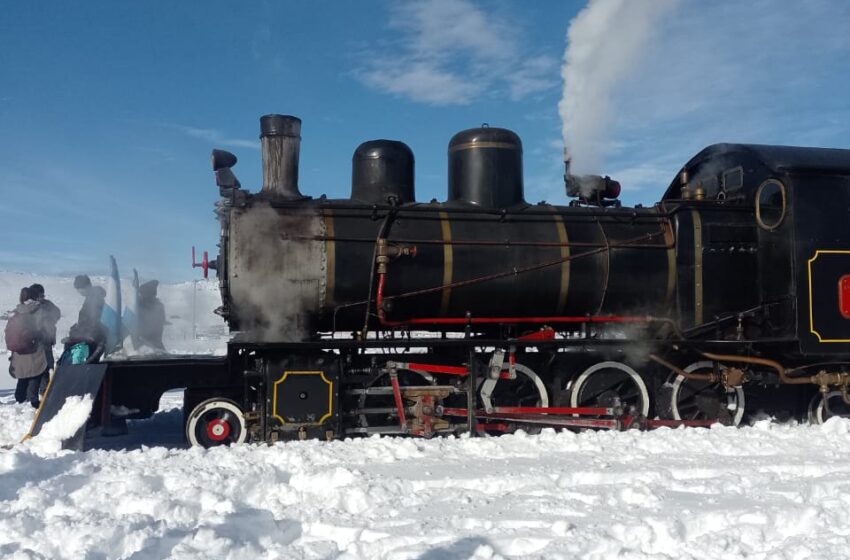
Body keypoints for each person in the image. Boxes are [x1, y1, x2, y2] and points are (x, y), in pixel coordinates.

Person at [7, 287, 50, 408]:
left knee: (24, 373)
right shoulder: (39, 310)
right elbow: (46, 329)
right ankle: (34, 402)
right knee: (35, 374)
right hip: (35, 348)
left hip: (19, 350)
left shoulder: (17, 310)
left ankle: (19, 398)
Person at [27, 283, 61, 395]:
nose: (41, 297)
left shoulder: (46, 305)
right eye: (39, 295)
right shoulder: (32, 306)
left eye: (42, 294)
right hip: (36, 342)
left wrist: (48, 321)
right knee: (37, 368)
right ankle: (34, 394)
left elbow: (57, 314)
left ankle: (43, 392)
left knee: (44, 367)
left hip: (43, 341)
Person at [133, 280, 166, 351]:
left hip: (153, 342)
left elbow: (160, 324)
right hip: (140, 343)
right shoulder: (136, 306)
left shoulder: (158, 306)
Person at [73, 274, 106, 340]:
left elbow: (93, 319)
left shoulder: (94, 298)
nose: (78, 292)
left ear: (84, 287)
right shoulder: (92, 296)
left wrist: (82, 333)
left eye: (78, 289)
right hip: (90, 333)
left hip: (93, 336)